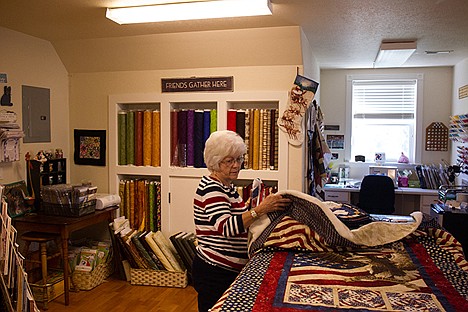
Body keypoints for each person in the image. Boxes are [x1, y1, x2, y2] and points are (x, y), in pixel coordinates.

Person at [192, 130, 291, 312]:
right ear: (215, 161)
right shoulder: (212, 189)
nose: (236, 165)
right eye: (229, 161)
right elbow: (226, 227)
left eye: (239, 159)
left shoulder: (226, 187)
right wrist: (261, 209)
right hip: (215, 272)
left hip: (223, 270)